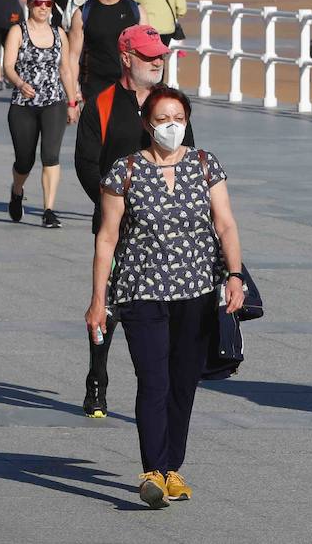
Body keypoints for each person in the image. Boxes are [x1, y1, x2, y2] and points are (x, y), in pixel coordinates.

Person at [85, 85, 245, 508]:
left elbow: (225, 224)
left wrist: (234, 276)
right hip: (141, 292)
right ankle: (153, 470)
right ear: (146, 123)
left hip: (197, 292)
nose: (171, 127)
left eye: (178, 119)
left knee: (183, 382)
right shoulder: (125, 171)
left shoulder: (205, 165)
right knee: (153, 380)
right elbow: (107, 238)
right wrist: (98, 299)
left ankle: (173, 468)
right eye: (162, 120)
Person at [73, 24, 193, 419]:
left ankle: (160, 381)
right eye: (148, 55)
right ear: (126, 58)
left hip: (166, 230)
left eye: (160, 55)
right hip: (117, 225)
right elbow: (86, 163)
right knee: (107, 303)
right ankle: (97, 377)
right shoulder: (102, 103)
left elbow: (189, 159)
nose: (157, 62)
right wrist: (114, 206)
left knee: (166, 305)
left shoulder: (170, 105)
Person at [3, 0, 81, 229]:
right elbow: (8, 66)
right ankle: (17, 191)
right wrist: (19, 83)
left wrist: (72, 102)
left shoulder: (59, 33)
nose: (43, 7)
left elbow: (65, 70)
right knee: (24, 160)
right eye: (38, 3)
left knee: (50, 156)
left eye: (48, 3)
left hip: (54, 102)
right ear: (29, 4)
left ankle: (48, 210)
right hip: (23, 104)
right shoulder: (18, 31)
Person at [68, 0, 144, 101]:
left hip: (129, 87)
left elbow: (145, 51)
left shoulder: (136, 10)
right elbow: (73, 57)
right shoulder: (83, 13)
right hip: (94, 89)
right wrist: (73, 94)